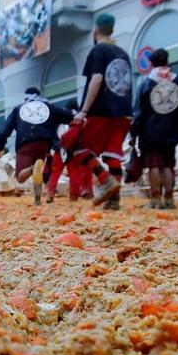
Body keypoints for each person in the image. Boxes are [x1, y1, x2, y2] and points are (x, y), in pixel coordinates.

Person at [71, 14, 132, 209]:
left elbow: (97, 79)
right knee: (113, 154)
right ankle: (114, 201)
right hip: (123, 111)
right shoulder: (123, 53)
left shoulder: (98, 50)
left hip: (101, 110)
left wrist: (83, 110)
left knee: (77, 147)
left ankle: (105, 180)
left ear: (95, 31)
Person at [129, 48, 178, 209]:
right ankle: (169, 198)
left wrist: (134, 132)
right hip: (171, 130)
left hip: (149, 130)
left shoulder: (146, 82)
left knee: (153, 165)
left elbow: (139, 110)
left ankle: (155, 199)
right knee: (167, 165)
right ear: (167, 61)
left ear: (151, 64)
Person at [0, 87, 73, 205]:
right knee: (38, 170)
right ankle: (37, 199)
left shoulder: (18, 109)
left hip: (25, 143)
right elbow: (68, 116)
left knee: (20, 177)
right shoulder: (48, 107)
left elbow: (4, 130)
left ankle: (32, 168)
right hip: (44, 143)